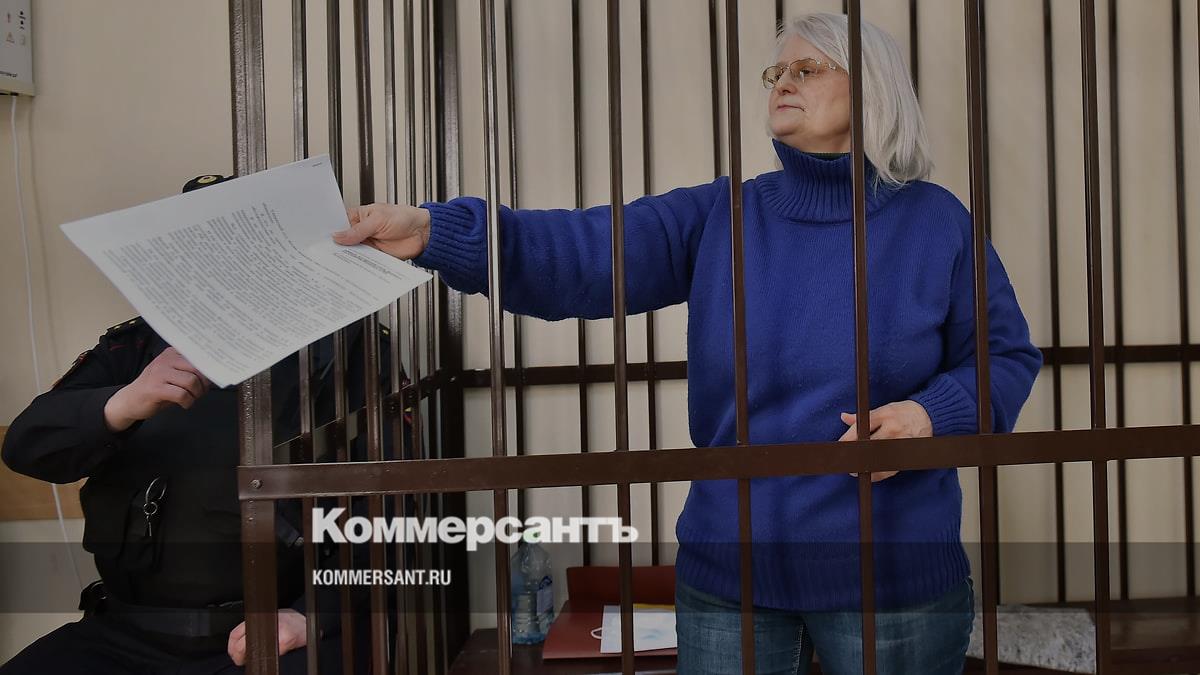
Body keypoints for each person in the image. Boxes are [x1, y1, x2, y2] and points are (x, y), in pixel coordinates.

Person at [332, 12, 1042, 675]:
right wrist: (437, 232)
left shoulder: (935, 222)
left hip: (892, 578)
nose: (784, 81)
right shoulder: (723, 214)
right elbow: (584, 251)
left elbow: (1005, 356)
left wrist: (929, 416)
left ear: (874, 89)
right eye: (778, 72)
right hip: (730, 575)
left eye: (809, 68)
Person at [1, 174, 395, 675]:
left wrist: (314, 615)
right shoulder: (135, 346)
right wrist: (123, 403)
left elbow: (396, 508)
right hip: (125, 631)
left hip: (270, 629)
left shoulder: (342, 352)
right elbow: (26, 447)